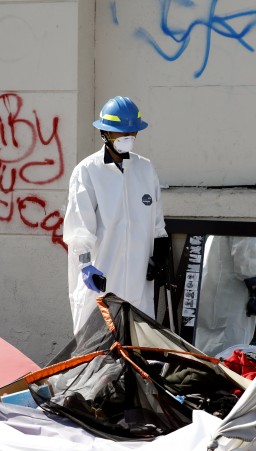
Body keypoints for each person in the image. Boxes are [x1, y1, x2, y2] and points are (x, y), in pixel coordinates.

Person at [63, 96, 169, 334]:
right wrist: (85, 266)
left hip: (138, 281)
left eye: (131, 133)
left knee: (137, 348)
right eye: (119, 133)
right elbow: (79, 228)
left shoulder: (145, 169)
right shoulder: (88, 172)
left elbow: (156, 223)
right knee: (97, 350)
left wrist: (160, 252)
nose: (126, 139)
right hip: (101, 280)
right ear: (104, 133)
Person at [193, 236, 256, 356]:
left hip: (216, 291)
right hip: (230, 295)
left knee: (208, 345)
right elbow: (245, 254)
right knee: (229, 351)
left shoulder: (218, 230)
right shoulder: (248, 219)